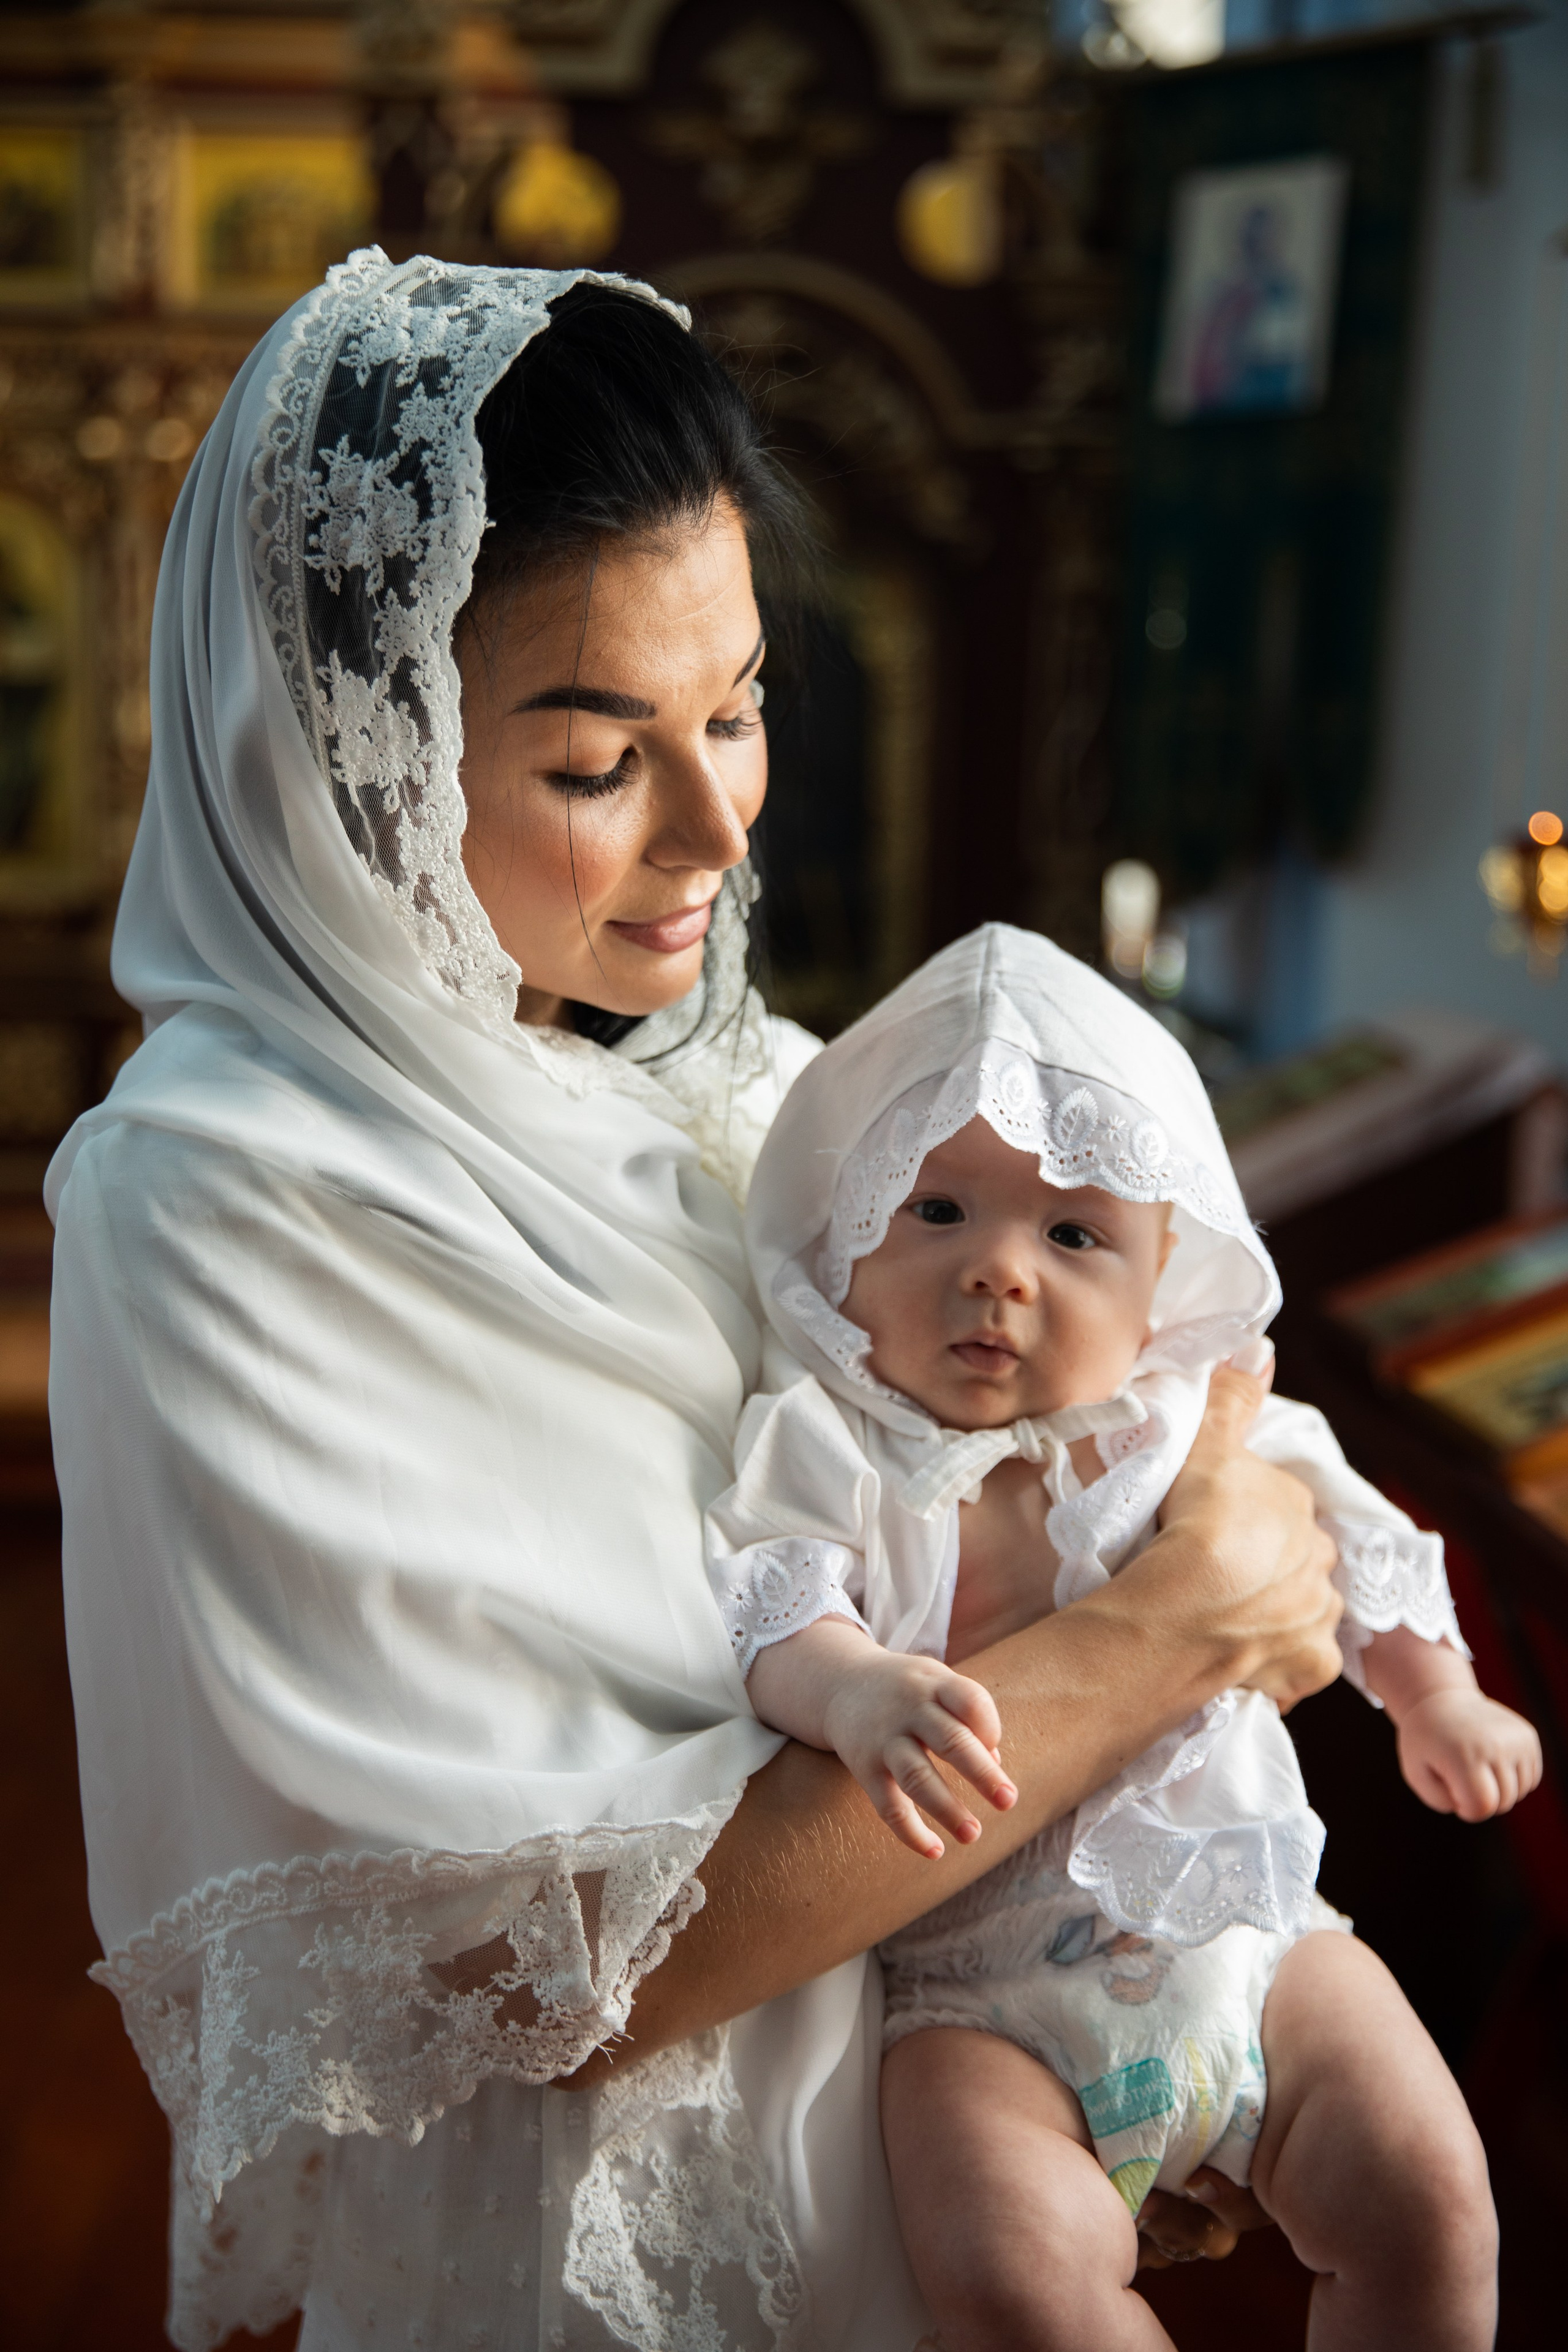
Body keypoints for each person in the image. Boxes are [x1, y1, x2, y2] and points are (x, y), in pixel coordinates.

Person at [47, 252, 1344, 2352]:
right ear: (345, 758)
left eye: (736, 710)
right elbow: (560, 1973)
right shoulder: (222, 1199)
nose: (724, 824)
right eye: (598, 763)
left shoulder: (767, 1099)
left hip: (960, 2170)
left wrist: (1131, 2042)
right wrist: (1171, 1630)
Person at [710, 921, 1540, 2351]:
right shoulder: (826, 1442)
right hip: (974, 2004)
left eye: (1072, 1235)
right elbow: (772, 1597)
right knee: (1011, 2285)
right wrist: (849, 1691)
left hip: (1254, 1947)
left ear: (1162, 1276)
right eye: (935, 1211)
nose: (999, 1273)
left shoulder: (1185, 1417)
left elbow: (1349, 1531)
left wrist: (1432, 1693)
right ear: (840, 1238)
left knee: (1430, 2199)